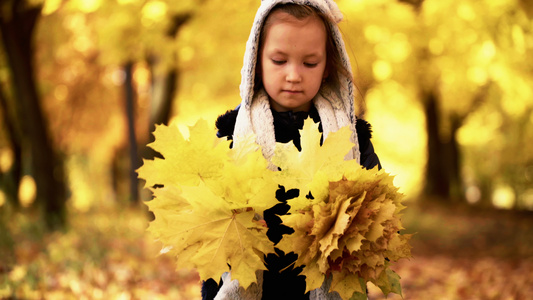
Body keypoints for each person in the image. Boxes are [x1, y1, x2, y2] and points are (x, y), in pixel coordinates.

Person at [203, 0, 380, 299]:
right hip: (254, 285)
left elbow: (378, 214)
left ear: (327, 67)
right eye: (279, 60)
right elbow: (204, 220)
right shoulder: (232, 134)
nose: (294, 75)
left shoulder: (350, 136)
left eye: (309, 63)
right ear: (256, 60)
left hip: (317, 285)